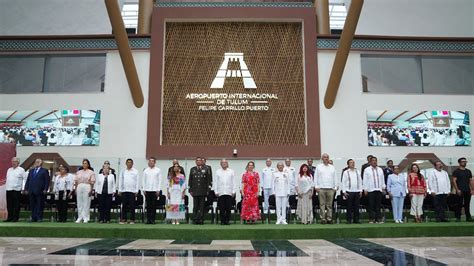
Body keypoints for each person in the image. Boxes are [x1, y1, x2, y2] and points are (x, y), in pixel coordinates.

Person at [314, 153, 338, 224]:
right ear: (322, 159)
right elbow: (316, 177)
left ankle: (329, 218)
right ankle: (323, 219)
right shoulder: (319, 167)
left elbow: (335, 177)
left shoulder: (332, 167)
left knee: (329, 205)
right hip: (321, 188)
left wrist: (335, 187)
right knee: (322, 204)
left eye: (327, 157)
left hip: (330, 188)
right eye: (324, 157)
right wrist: (316, 187)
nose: (326, 158)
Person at [188, 157, 212, 225]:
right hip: (195, 190)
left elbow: (208, 180)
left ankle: (201, 219)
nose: (198, 162)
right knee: (195, 206)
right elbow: (190, 180)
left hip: (203, 190)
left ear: (202, 162)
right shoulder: (192, 169)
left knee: (202, 206)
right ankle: (195, 219)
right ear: (195, 162)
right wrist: (190, 189)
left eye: (200, 161)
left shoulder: (206, 169)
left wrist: (208, 190)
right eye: (197, 161)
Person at [363, 156, 386, 224]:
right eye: (373, 160)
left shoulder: (380, 169)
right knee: (371, 205)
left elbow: (382, 179)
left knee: (378, 205)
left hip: (379, 189)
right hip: (371, 190)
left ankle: (378, 219)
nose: (374, 161)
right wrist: (365, 189)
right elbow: (365, 180)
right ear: (370, 162)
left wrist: (383, 187)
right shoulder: (367, 169)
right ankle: (371, 219)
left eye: (375, 160)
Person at [73, 159, 95, 223]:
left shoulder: (91, 172)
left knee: (86, 202)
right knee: (79, 203)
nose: (84, 164)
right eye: (83, 163)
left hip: (87, 186)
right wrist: (75, 189)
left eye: (85, 163)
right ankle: (80, 217)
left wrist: (91, 190)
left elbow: (92, 182)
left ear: (88, 164)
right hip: (79, 186)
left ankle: (86, 217)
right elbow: (76, 181)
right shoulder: (79, 172)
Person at [118, 158, 139, 224]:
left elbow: (137, 181)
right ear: (126, 163)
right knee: (124, 206)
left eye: (130, 162)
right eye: (128, 162)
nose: (129, 163)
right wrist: (120, 190)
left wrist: (136, 191)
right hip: (124, 191)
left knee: (132, 206)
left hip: (132, 191)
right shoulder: (123, 171)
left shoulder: (135, 171)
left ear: (132, 164)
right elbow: (120, 180)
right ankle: (124, 219)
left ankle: (132, 219)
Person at [214, 159, 235, 225]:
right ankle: (222, 221)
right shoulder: (218, 172)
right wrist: (216, 191)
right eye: (222, 163)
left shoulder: (231, 171)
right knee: (222, 208)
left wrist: (233, 191)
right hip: (221, 192)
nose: (224, 164)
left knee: (228, 207)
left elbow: (233, 181)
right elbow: (215, 182)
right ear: (220, 164)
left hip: (229, 192)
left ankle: (227, 220)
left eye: (225, 162)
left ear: (227, 163)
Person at [341, 159, 362, 224]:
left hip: (357, 191)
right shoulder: (346, 172)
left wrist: (361, 190)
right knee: (349, 206)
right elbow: (343, 182)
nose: (352, 164)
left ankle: (356, 219)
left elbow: (360, 181)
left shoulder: (357, 172)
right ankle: (349, 220)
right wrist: (344, 191)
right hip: (349, 191)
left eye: (353, 162)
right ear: (348, 164)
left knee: (356, 206)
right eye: (351, 163)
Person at [142, 157, 162, 224]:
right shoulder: (145, 170)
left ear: (155, 162)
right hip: (147, 190)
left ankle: (153, 220)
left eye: (152, 161)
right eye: (149, 161)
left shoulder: (158, 170)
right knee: (148, 206)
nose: (150, 162)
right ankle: (148, 220)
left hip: (154, 190)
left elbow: (159, 180)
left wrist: (158, 190)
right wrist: (143, 189)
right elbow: (143, 180)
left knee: (153, 206)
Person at [5, 157, 25, 222]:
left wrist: (23, 188)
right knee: (9, 205)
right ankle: (9, 217)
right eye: (12, 161)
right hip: (8, 189)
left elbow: (24, 179)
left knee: (16, 205)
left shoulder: (21, 170)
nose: (13, 163)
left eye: (15, 161)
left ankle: (15, 218)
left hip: (17, 190)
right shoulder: (9, 169)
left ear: (18, 162)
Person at [452, 157, 472, 222]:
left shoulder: (468, 171)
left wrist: (472, 189)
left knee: (467, 204)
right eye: (463, 161)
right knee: (459, 204)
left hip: (467, 190)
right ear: (459, 163)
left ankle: (468, 217)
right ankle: (458, 218)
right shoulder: (456, 171)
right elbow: (454, 181)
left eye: (465, 161)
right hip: (460, 190)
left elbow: (470, 181)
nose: (464, 162)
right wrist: (457, 189)